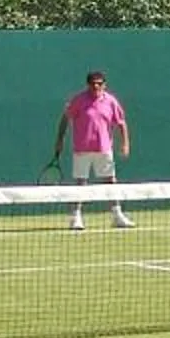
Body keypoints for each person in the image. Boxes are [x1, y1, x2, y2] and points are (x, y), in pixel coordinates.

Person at [52, 70, 132, 230]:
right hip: (82, 149)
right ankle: (76, 217)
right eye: (93, 84)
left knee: (110, 181)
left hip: (104, 149)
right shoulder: (78, 100)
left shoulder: (111, 101)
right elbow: (65, 118)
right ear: (88, 85)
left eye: (99, 84)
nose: (96, 87)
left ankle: (117, 215)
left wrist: (125, 144)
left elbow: (121, 123)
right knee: (80, 183)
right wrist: (60, 140)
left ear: (104, 85)